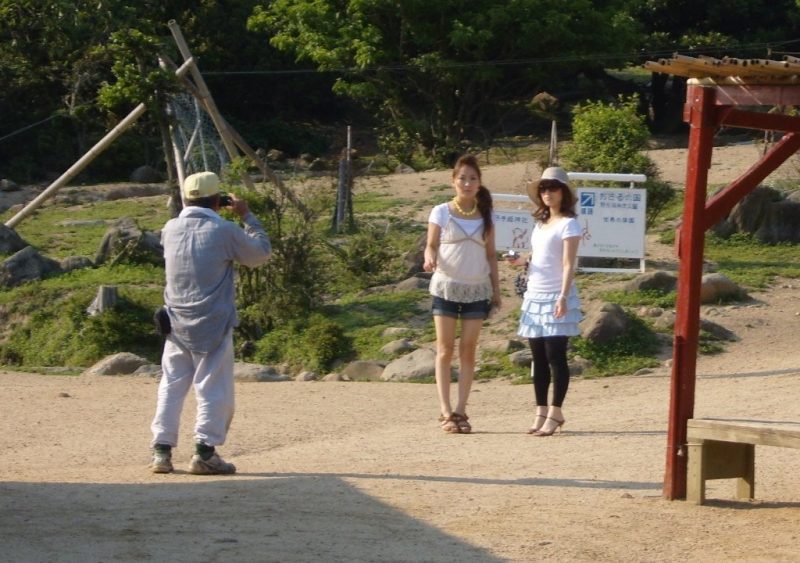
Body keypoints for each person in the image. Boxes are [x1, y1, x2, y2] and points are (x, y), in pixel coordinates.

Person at [149, 171, 272, 474]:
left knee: (172, 385)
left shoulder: (170, 228)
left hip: (175, 321)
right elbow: (260, 254)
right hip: (213, 321)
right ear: (218, 200)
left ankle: (161, 452)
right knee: (213, 388)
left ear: (185, 198)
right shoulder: (224, 230)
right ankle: (204, 452)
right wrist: (247, 216)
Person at [423, 154, 501, 434]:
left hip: (477, 288)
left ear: (479, 183)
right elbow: (430, 244)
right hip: (446, 286)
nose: (467, 183)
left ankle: (461, 410)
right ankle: (445, 411)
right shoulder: (441, 211)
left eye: (473, 178)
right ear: (453, 181)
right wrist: (429, 256)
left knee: (468, 350)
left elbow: (492, 256)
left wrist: (497, 291)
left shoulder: (487, 216)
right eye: (462, 178)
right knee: (445, 350)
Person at [509, 166, 582, 437]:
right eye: (543, 188)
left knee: (555, 355)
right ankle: (541, 410)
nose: (547, 193)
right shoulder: (540, 224)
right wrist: (521, 261)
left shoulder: (569, 224)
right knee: (537, 356)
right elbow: (538, 255)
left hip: (556, 294)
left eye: (552, 187)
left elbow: (567, 264)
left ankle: (556, 410)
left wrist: (563, 295)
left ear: (563, 191)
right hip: (534, 294)